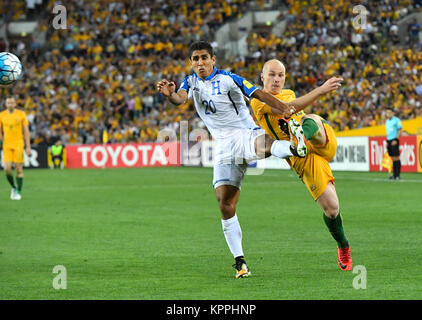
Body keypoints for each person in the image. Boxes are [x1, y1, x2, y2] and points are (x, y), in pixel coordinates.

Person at [156, 41, 343, 278]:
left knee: (263, 145)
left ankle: (296, 148)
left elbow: (258, 93)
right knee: (225, 204)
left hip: (244, 133)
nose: (200, 63)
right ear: (191, 63)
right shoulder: (190, 82)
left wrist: (284, 108)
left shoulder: (229, 79)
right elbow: (180, 98)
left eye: (205, 58)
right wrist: (170, 94)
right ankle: (240, 262)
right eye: (195, 59)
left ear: (213, 60)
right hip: (223, 147)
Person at [250, 59, 352, 271]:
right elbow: (286, 109)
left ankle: (300, 137)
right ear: (262, 77)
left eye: (280, 75)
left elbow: (292, 107)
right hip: (303, 159)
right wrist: (321, 90)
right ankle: (343, 246)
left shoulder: (289, 93)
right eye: (271, 75)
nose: (276, 79)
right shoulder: (257, 101)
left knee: (312, 118)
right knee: (332, 209)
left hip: (319, 139)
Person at [0, 96, 31, 200]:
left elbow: (26, 131)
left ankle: (18, 192)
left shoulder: (21, 114)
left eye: (12, 103)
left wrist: (28, 147)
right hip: (7, 145)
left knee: (18, 169)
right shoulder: (2, 115)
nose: (10, 105)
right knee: (7, 169)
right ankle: (13, 187)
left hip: (18, 144)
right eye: (8, 103)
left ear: (15, 104)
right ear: (6, 104)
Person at [385, 107, 402, 180]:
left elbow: (400, 130)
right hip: (389, 140)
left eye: (389, 112)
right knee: (392, 158)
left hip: (394, 140)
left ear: (393, 113)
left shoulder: (397, 120)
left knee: (396, 157)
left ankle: (398, 175)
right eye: (387, 113)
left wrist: (396, 139)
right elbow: (388, 132)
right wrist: (387, 141)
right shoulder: (387, 121)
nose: (388, 114)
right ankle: (394, 175)